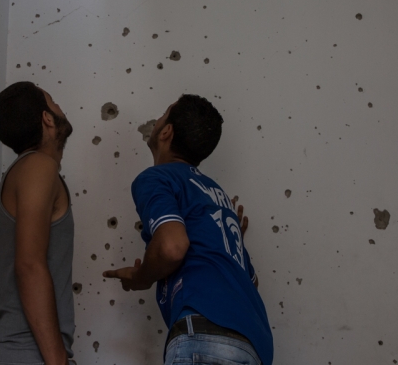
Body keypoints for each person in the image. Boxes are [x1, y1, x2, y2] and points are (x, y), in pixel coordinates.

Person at [103, 94, 273, 365]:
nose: (157, 121)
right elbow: (250, 282)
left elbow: (172, 247)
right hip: (254, 344)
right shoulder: (216, 195)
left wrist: (142, 277)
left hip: (205, 336)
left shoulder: (157, 178)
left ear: (166, 132)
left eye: (163, 115)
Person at [0, 81, 76, 365]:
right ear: (47, 118)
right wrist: (58, 361)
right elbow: (29, 265)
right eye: (53, 101)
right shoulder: (38, 167)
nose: (60, 107)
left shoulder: (19, 176)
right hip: (29, 355)